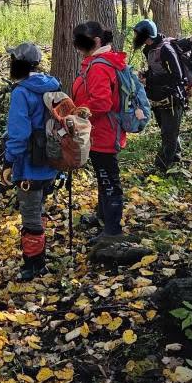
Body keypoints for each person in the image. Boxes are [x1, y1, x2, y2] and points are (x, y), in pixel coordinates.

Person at [2, 42, 61, 280]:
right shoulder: (52, 86)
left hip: (29, 166)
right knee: (38, 209)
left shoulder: (21, 93)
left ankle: (33, 266)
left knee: (30, 214)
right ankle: (39, 258)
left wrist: (8, 162)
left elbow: (19, 135)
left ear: (19, 63)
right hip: (51, 162)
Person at [71, 21, 127, 239]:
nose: (77, 47)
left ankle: (113, 230)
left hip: (103, 134)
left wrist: (78, 112)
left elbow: (102, 103)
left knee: (108, 179)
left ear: (95, 41)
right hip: (100, 132)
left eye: (80, 42)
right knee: (103, 177)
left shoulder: (99, 67)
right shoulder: (100, 62)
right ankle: (103, 216)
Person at [132, 18, 187, 171]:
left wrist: (151, 78)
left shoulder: (166, 49)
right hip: (159, 99)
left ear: (146, 35)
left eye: (137, 34)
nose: (135, 37)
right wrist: (146, 74)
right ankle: (175, 162)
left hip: (172, 99)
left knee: (169, 133)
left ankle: (161, 167)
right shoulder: (149, 49)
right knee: (168, 132)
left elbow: (177, 75)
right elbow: (158, 70)